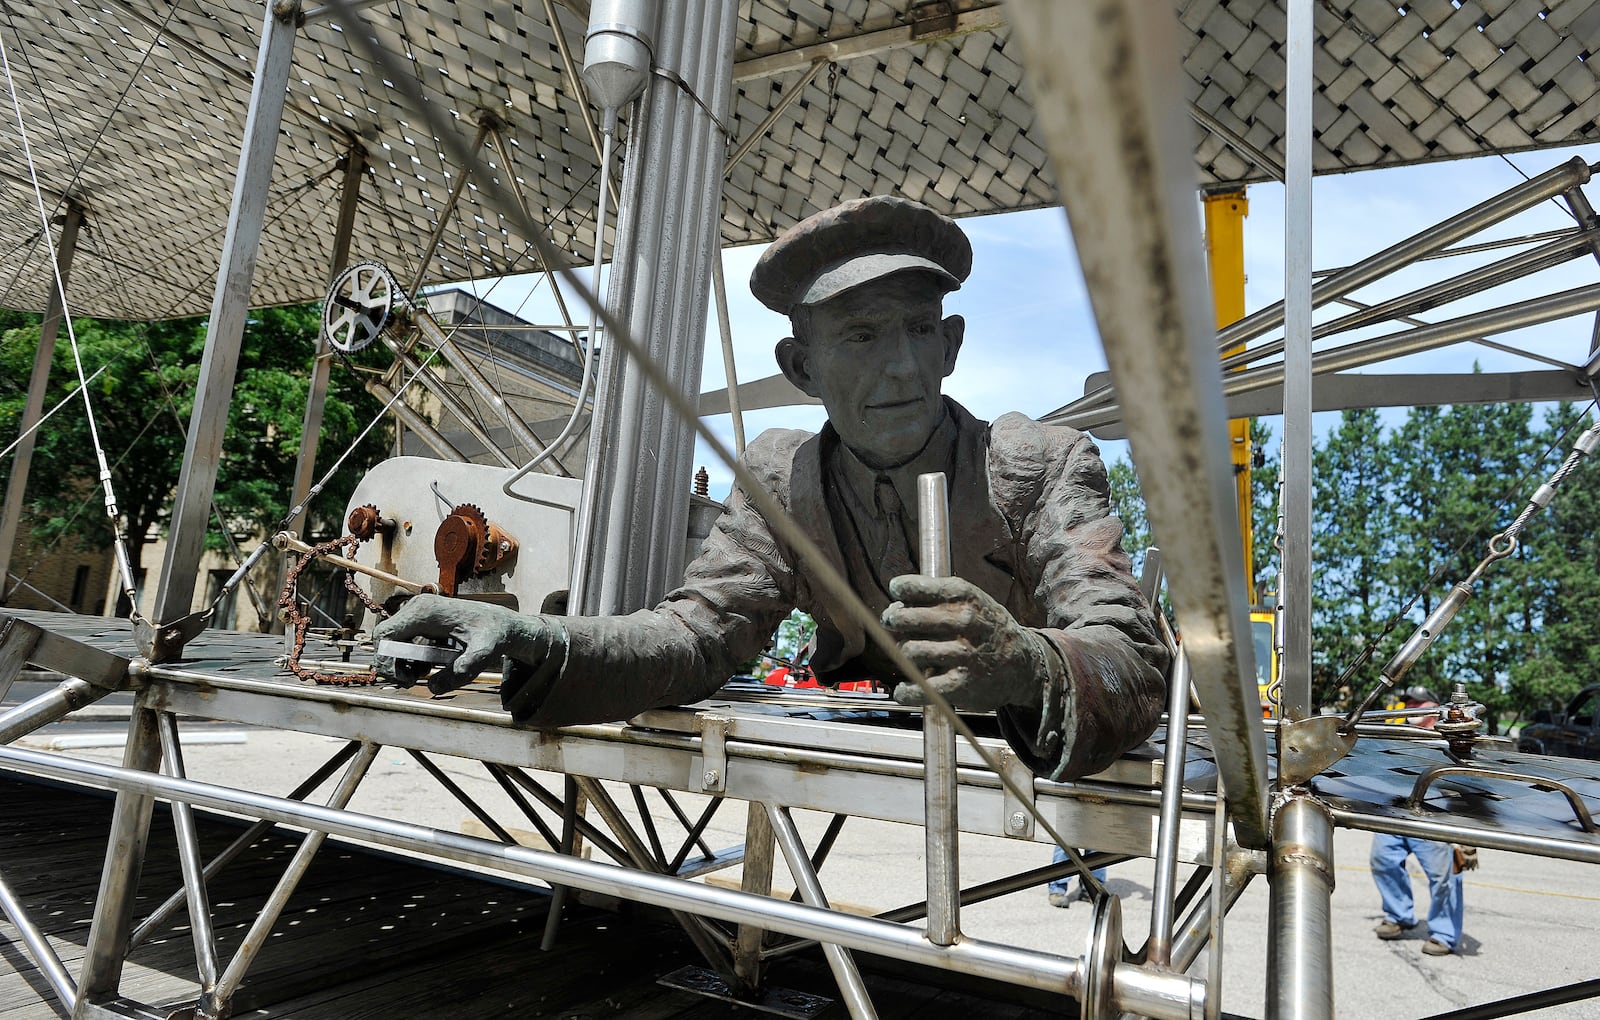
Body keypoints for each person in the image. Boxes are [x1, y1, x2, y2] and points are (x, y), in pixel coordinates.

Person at [375, 195, 1169, 781]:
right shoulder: (782, 481)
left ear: (951, 344)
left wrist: (1027, 663)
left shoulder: (1036, 463)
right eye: (860, 336)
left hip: (1054, 756)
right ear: (801, 369)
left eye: (919, 330)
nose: (901, 366)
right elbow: (694, 637)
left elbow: (1131, 653)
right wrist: (544, 638)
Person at [1370, 686, 1465, 956]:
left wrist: (1463, 832)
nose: (1411, 706)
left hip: (1434, 815)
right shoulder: (1401, 736)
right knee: (1383, 860)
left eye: (1418, 702)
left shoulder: (1449, 739)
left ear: (1434, 707)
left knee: (1445, 876)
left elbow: (1466, 782)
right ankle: (1399, 915)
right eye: (1409, 702)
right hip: (1397, 810)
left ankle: (1444, 934)